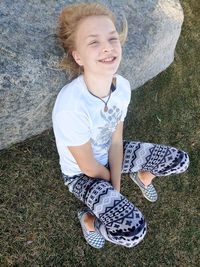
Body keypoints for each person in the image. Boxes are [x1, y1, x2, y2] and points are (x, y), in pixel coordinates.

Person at [52, 3, 189, 249]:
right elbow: (89, 166)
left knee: (179, 160)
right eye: (93, 42)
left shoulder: (122, 87)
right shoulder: (71, 107)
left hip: (109, 153)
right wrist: (115, 189)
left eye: (112, 37)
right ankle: (89, 220)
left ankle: (142, 176)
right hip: (82, 175)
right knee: (132, 231)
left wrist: (116, 187)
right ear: (78, 56)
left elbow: (116, 141)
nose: (107, 46)